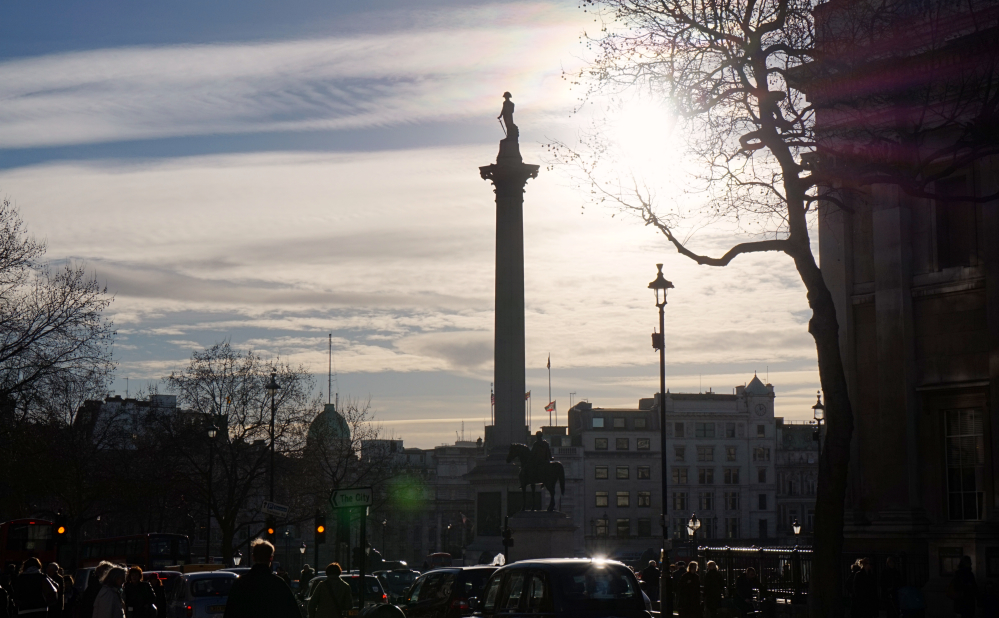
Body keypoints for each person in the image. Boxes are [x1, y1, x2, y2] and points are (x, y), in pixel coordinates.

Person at [222, 539, 300, 618]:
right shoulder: (279, 584)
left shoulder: (240, 583)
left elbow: (230, 612)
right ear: (271, 558)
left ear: (253, 557)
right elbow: (293, 612)